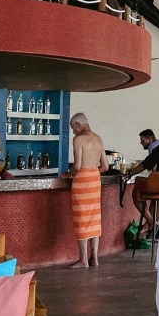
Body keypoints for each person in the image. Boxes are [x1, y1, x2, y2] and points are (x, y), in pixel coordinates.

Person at [62, 112, 104, 269]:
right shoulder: (98, 138)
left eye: (73, 127)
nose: (73, 131)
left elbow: (78, 166)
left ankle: (83, 259)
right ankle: (95, 258)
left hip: (82, 183)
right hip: (95, 181)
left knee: (82, 219)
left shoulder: (78, 139)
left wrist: (67, 175)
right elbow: (105, 166)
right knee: (94, 219)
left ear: (78, 124)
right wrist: (92, 173)